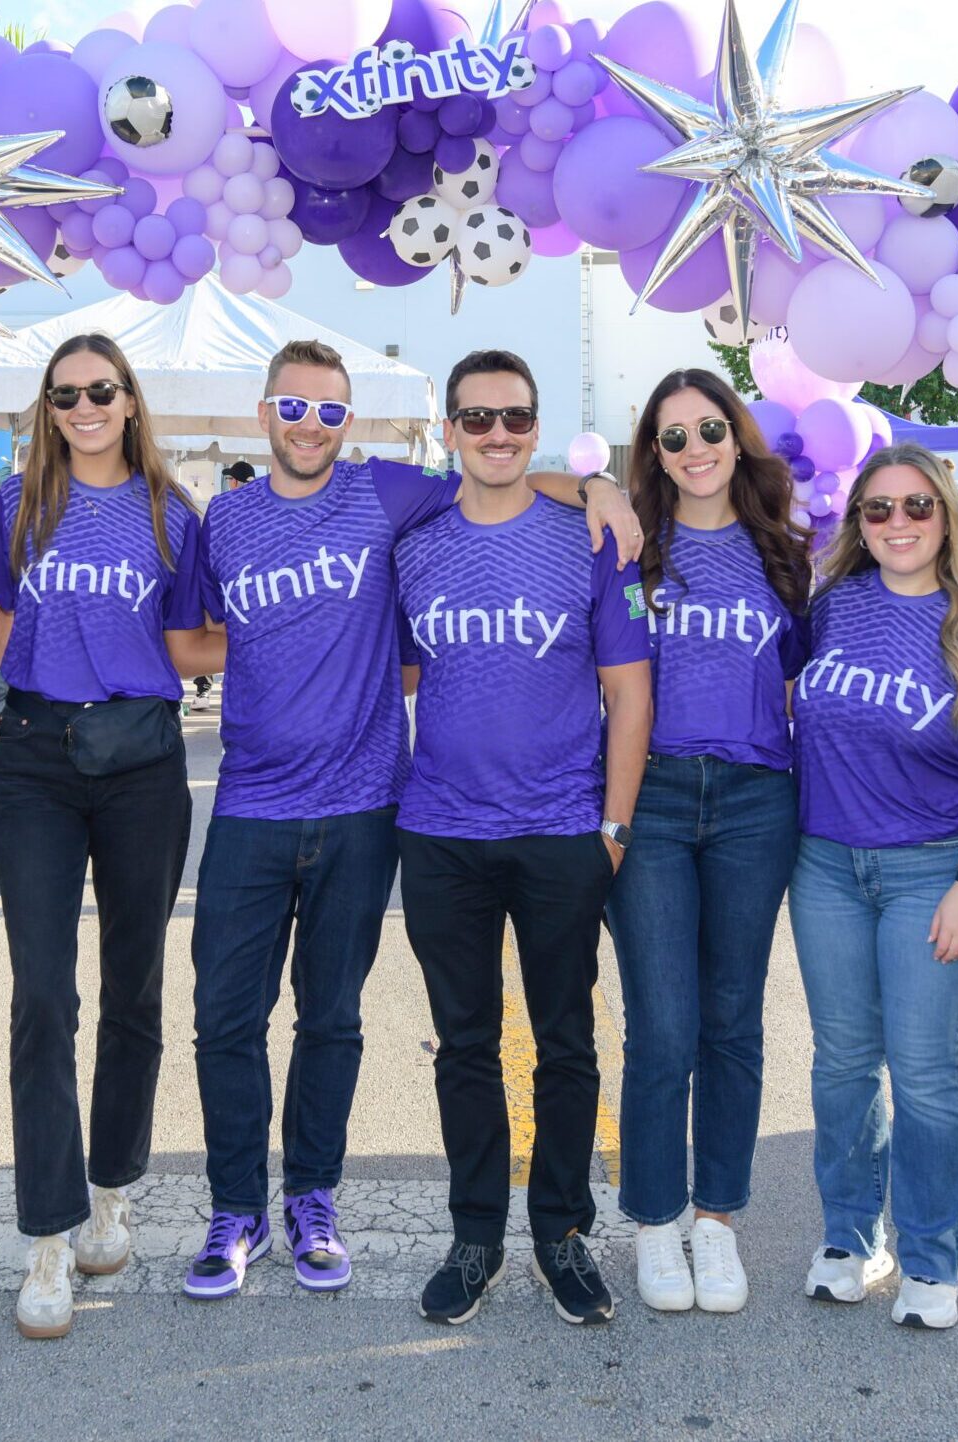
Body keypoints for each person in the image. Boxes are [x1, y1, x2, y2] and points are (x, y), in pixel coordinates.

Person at [172, 340, 637, 1302]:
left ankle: (377, 1209)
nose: (310, 426)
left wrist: (600, 488)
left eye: (330, 412)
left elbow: (505, 486)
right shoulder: (230, 519)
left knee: (368, 1025)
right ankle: (256, 1213)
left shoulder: (393, 499)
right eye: (293, 408)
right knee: (239, 1022)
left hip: (399, 810)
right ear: (264, 414)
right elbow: (192, 638)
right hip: (305, 810)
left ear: (353, 424)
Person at [0, 333, 211, 1341]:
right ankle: (48, 1235)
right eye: (65, 395)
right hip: (39, 760)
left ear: (129, 400)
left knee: (134, 986)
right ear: (48, 408)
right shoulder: (18, 506)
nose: (85, 406)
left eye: (101, 390)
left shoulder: (171, 513)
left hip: (144, 756)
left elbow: (197, 639)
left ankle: (112, 1187)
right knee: (42, 995)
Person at [397, 350, 652, 1328]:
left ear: (534, 427)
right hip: (442, 834)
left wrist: (613, 827)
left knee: (564, 1041)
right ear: (450, 430)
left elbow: (628, 689)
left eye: (513, 419)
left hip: (561, 832)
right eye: (477, 419)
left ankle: (561, 1230)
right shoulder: (414, 540)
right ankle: (475, 1234)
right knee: (464, 1042)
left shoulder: (587, 535)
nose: (496, 435)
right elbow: (404, 668)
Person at [788, 442, 958, 1333]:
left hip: (935, 868)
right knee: (843, 1067)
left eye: (917, 507)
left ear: (949, 517)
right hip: (825, 868)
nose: (898, 524)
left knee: (926, 1073)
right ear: (858, 523)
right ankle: (852, 1241)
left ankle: (932, 1261)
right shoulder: (830, 608)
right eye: (878, 510)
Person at [604, 368, 808, 1315]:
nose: (694, 450)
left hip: (756, 803)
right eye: (672, 437)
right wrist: (599, 485)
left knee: (733, 1020)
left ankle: (717, 1221)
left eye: (710, 429)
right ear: (653, 452)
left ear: (739, 436)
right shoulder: (627, 547)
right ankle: (653, 1220)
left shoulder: (787, 555)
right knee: (663, 1024)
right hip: (652, 799)